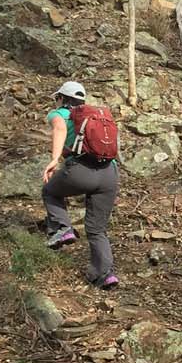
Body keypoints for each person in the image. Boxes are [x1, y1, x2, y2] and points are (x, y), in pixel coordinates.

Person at [41, 81, 120, 290]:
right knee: (97, 229)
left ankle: (62, 228)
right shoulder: (97, 116)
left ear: (62, 98)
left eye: (57, 97)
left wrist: (55, 159)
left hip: (81, 170)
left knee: (50, 190)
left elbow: (58, 128)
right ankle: (105, 275)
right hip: (109, 175)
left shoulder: (59, 113)